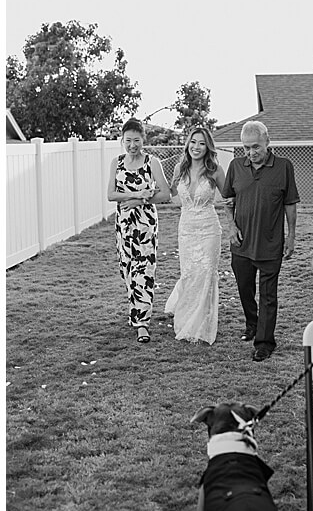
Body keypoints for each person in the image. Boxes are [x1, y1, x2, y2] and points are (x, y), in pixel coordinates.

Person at [221, 121, 299, 362]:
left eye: (256, 147)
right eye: (246, 148)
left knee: (268, 295)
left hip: (270, 243)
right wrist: (231, 226)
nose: (251, 152)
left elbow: (290, 204)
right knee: (245, 289)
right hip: (241, 243)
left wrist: (292, 235)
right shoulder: (235, 166)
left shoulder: (284, 167)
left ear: (268, 142)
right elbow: (228, 201)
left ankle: (264, 342)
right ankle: (252, 324)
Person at [107, 118, 172, 343]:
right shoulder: (117, 162)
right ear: (122, 141)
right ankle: (135, 312)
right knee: (127, 270)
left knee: (143, 272)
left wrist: (141, 202)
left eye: (136, 140)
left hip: (144, 225)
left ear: (143, 139)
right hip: (123, 225)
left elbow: (165, 194)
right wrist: (135, 195)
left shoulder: (152, 162)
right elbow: (111, 195)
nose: (132, 145)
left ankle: (142, 324)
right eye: (128, 140)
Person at [164, 127, 226, 344]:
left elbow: (228, 198)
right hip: (187, 230)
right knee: (190, 274)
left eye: (201, 143)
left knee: (206, 274)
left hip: (209, 229)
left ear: (207, 146)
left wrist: (235, 225)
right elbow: (172, 194)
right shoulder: (180, 169)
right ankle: (185, 320)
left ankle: (201, 326)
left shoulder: (215, 170)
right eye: (193, 142)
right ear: (187, 144)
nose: (196, 147)